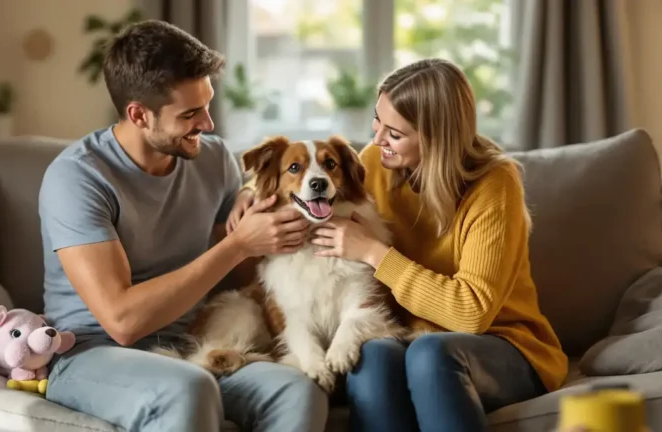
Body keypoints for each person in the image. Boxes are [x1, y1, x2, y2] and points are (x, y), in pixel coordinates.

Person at [228, 58, 568, 431]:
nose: (376, 140)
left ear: (437, 137)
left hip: (502, 345)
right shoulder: (379, 160)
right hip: (409, 336)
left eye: (394, 132)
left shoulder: (494, 184)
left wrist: (373, 252)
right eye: (378, 121)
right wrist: (247, 193)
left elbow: (471, 315)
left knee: (431, 353)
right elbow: (321, 175)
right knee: (371, 357)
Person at [38, 20, 327, 432]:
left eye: (207, 104)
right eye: (190, 114)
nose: (208, 124)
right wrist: (236, 246)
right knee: (189, 388)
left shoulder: (213, 159)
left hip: (192, 344)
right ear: (139, 114)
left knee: (298, 389)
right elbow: (122, 322)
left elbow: (242, 275)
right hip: (90, 354)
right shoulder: (78, 178)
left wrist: (261, 217)